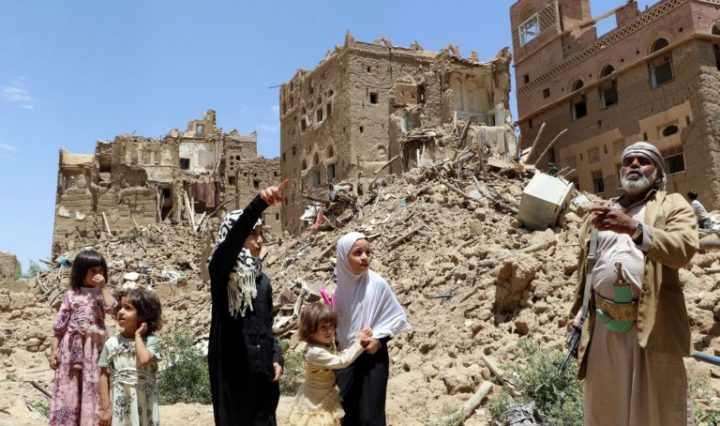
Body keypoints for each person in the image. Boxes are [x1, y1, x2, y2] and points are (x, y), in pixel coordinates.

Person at [570, 141, 699, 426]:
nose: (634, 165)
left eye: (643, 160)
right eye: (628, 161)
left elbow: (684, 248)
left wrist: (634, 228)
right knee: (605, 406)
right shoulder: (604, 211)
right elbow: (587, 267)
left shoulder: (671, 204)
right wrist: (580, 311)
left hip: (652, 324)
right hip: (603, 325)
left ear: (658, 172)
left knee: (655, 409)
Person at [207, 180, 288, 426]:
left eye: (260, 234)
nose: (259, 241)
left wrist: (277, 357)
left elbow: (268, 326)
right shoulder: (221, 273)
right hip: (233, 373)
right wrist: (259, 204)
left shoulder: (261, 281)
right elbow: (231, 243)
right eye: (252, 234)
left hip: (261, 372)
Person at [334, 232, 411, 426]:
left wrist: (379, 340)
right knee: (346, 414)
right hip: (346, 358)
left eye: (368, 252)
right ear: (343, 257)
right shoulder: (339, 290)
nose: (365, 257)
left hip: (372, 359)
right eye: (358, 252)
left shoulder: (377, 285)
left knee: (370, 418)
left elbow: (396, 318)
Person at [49, 249, 117, 426]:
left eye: (100, 270)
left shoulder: (102, 294)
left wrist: (103, 288)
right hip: (70, 351)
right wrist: (54, 351)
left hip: (95, 350)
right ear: (81, 271)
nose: (97, 275)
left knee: (93, 385)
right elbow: (59, 328)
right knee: (69, 388)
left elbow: (114, 310)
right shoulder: (71, 295)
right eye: (92, 271)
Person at [288, 302, 373, 426]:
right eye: (323, 327)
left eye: (332, 326)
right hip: (315, 403)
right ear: (310, 330)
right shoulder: (314, 352)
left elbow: (338, 355)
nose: (329, 331)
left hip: (326, 397)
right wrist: (360, 343)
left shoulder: (324, 344)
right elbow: (342, 361)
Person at [98, 288, 162, 426]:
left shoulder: (150, 341)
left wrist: (138, 336)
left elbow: (144, 360)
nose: (121, 312)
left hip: (145, 404)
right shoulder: (111, 344)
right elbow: (103, 375)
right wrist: (105, 409)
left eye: (128, 308)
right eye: (120, 307)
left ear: (142, 315)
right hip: (121, 406)